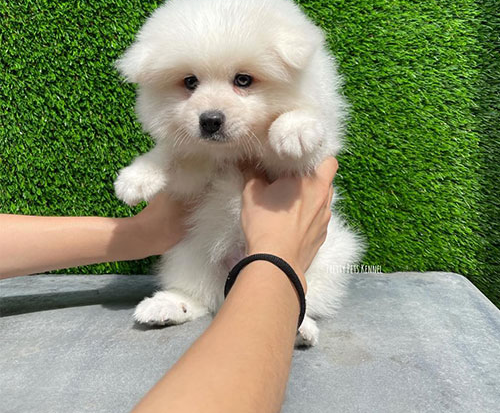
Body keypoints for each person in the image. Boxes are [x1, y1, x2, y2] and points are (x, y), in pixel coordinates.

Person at [0, 157, 338, 413]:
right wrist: (278, 263)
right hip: (222, 264)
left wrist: (143, 233)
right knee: (192, 252)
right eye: (190, 83)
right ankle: (189, 298)